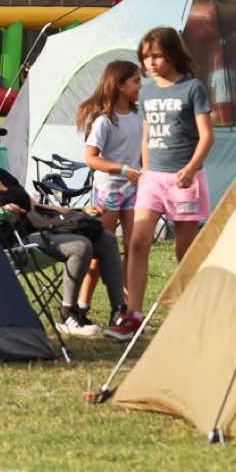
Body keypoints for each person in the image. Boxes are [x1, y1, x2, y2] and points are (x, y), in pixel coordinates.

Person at [0, 119, 132, 340]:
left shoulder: (1, 174)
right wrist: (0, 213)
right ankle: (68, 314)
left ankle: (119, 313)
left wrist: (77, 211)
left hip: (35, 230)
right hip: (9, 243)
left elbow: (34, 206)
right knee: (79, 246)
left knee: (105, 238)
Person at [126, 25, 215, 317]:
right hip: (153, 179)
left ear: (173, 55)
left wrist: (190, 169)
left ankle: (190, 308)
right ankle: (133, 312)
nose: (150, 63)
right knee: (138, 241)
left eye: (157, 56)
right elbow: (147, 133)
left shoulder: (193, 88)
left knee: (184, 248)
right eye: (145, 57)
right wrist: (145, 170)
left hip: (184, 179)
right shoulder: (147, 90)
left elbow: (206, 136)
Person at [74, 59, 143, 319]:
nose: (139, 86)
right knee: (102, 251)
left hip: (133, 191)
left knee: (133, 248)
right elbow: (91, 159)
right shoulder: (105, 121)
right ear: (120, 85)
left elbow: (140, 153)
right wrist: (122, 169)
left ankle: (125, 307)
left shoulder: (137, 117)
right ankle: (81, 306)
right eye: (135, 81)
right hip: (109, 192)